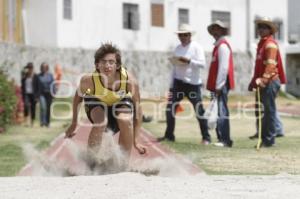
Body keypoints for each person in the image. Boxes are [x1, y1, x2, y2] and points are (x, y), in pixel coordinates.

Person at [65, 43, 146, 160]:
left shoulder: (129, 81)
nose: (107, 65)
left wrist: (136, 140)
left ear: (117, 65)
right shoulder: (88, 80)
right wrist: (74, 124)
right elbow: (77, 98)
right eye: (103, 62)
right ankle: (91, 162)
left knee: (125, 120)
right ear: (97, 65)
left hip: (119, 101)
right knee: (101, 122)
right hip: (96, 100)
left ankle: (122, 163)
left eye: (111, 62)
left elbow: (138, 109)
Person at [158, 24, 211, 144]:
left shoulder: (197, 47)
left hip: (192, 85)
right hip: (178, 83)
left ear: (190, 35)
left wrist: (189, 61)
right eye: (180, 35)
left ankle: (206, 137)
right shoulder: (177, 48)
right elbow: (174, 67)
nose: (182, 37)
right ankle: (169, 135)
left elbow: (202, 64)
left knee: (199, 110)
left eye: (185, 35)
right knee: (170, 109)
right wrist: (171, 85)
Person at [248, 17, 286, 147]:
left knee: (268, 112)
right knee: (261, 111)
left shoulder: (270, 44)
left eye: (264, 27)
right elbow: (258, 67)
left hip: (270, 82)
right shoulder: (261, 44)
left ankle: (269, 140)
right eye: (259, 27)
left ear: (270, 30)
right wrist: (253, 81)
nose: (260, 29)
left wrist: (263, 80)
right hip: (262, 82)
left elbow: (270, 65)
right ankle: (263, 137)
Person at [206, 20, 235, 147]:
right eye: (213, 29)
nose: (215, 32)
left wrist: (219, 86)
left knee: (222, 111)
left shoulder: (222, 46)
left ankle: (225, 139)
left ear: (222, 31)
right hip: (217, 85)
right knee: (218, 111)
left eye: (218, 29)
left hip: (220, 85)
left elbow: (224, 68)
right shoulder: (217, 46)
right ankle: (221, 138)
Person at [37, 62, 55, 127]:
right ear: (41, 68)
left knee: (48, 108)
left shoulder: (50, 75)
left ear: (47, 68)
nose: (43, 68)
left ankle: (47, 122)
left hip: (49, 94)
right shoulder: (38, 76)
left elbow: (53, 84)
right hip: (42, 94)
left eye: (45, 67)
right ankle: (42, 122)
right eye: (42, 67)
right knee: (43, 107)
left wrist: (54, 93)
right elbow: (36, 85)